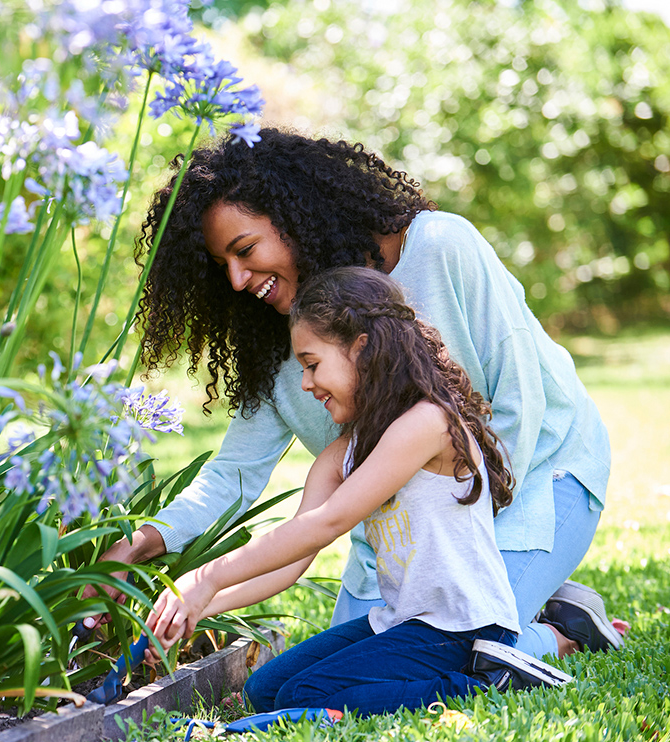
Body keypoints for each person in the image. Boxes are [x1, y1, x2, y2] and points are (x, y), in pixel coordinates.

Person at [90, 128, 620, 660]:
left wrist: (461, 555)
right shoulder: (283, 348)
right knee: (346, 660)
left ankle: (560, 633)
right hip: (401, 537)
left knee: (457, 648)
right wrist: (141, 543)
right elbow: (232, 475)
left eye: (245, 250)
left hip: (535, 481)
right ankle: (540, 604)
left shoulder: (438, 247)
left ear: (295, 216)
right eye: (221, 265)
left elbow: (520, 403)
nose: (235, 279)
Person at [146, 267, 572, 716]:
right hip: (402, 623)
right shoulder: (343, 452)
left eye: (312, 364)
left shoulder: (428, 423)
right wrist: (199, 606)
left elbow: (327, 524)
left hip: (463, 629)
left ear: (361, 349)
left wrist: (206, 577)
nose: (306, 383)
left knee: (303, 697)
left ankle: (495, 683)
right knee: (264, 691)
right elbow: (292, 557)